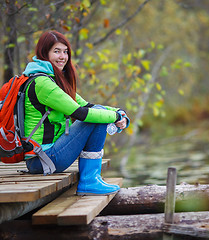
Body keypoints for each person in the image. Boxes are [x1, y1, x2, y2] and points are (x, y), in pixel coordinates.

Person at [22, 30, 129, 196]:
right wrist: (114, 117)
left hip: (47, 156)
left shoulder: (53, 80)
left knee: (97, 112)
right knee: (95, 116)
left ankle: (92, 179)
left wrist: (119, 112)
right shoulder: (42, 83)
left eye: (65, 52)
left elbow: (87, 105)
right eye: (56, 51)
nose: (62, 57)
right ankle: (89, 180)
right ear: (44, 53)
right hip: (42, 160)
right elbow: (81, 113)